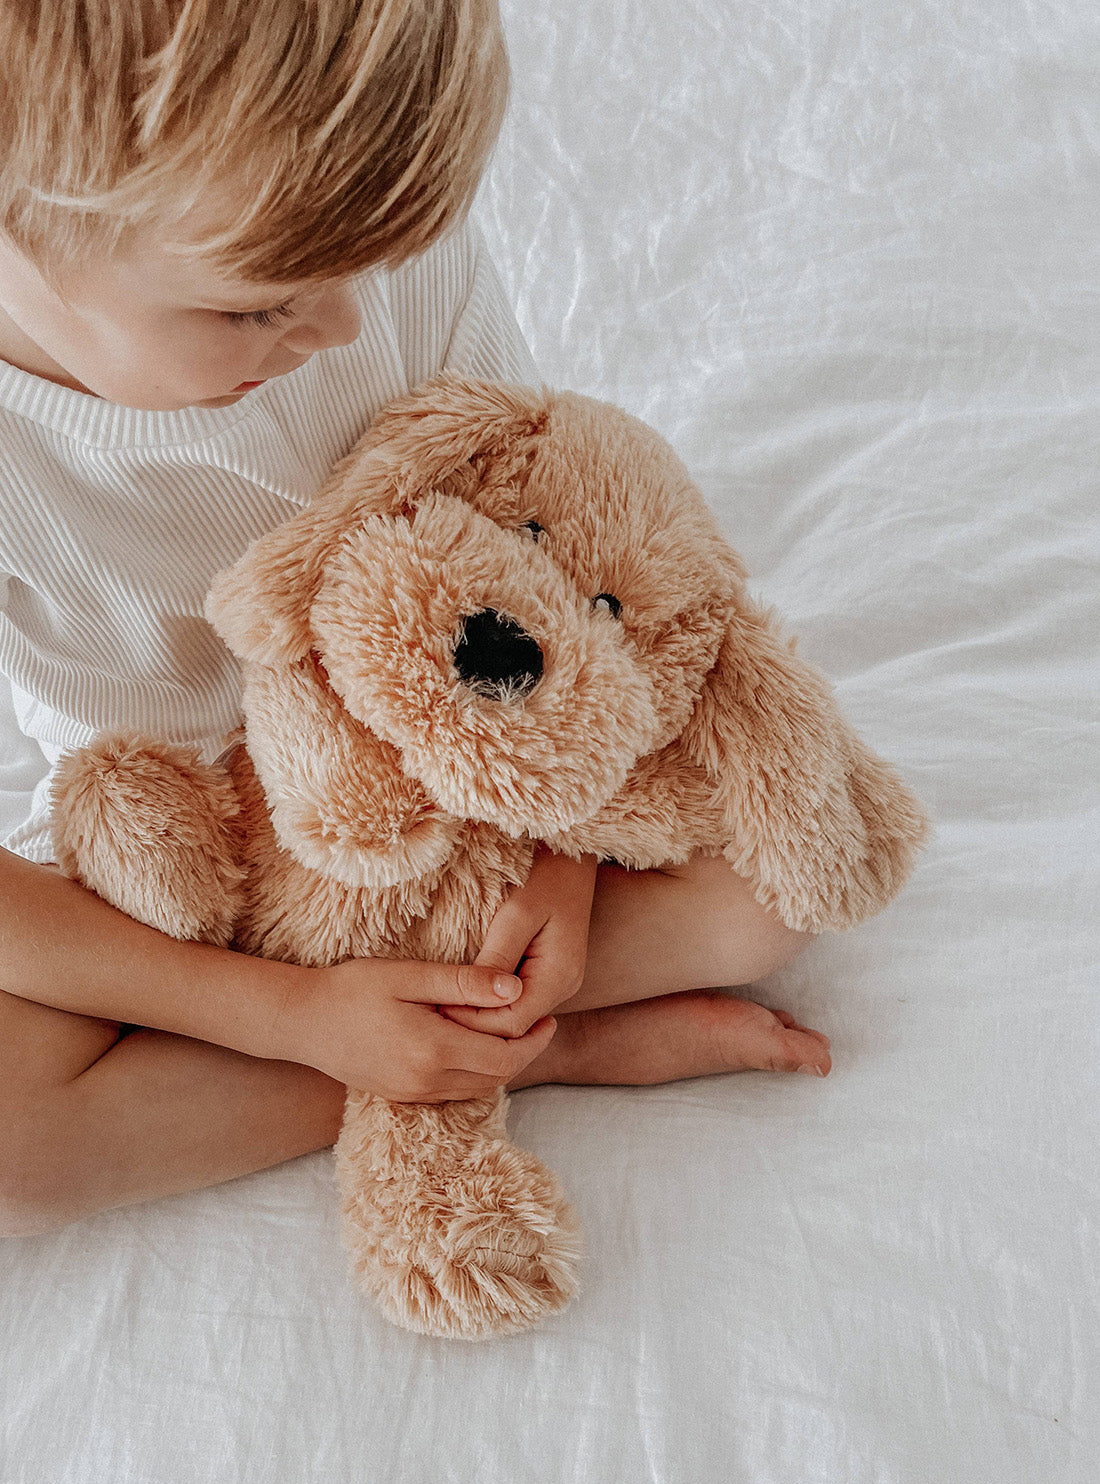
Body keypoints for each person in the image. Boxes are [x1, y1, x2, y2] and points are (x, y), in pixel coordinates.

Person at [0, 0, 830, 1239]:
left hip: (470, 777)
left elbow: (534, 553)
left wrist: (561, 857)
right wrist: (283, 1018)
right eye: (253, 307)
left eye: (368, 269)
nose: (338, 327)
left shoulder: (358, 243)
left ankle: (446, 1038)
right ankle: (524, 1053)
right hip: (169, 847)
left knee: (767, 885)